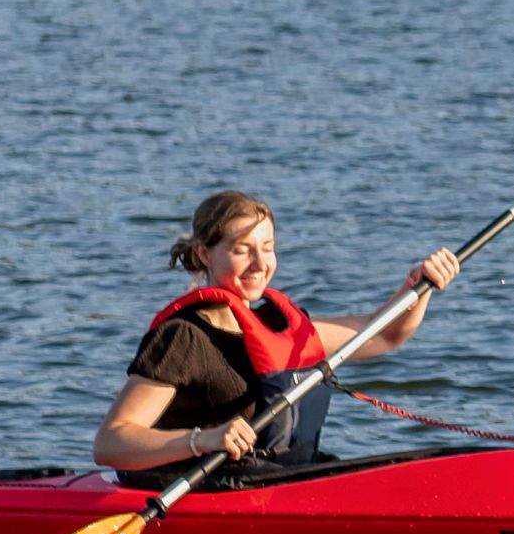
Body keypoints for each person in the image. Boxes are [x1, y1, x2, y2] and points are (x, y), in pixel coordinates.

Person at [91, 190, 458, 481]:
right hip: (205, 493)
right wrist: (202, 439)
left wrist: (419, 287)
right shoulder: (185, 338)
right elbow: (111, 443)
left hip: (279, 480)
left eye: (267, 249)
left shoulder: (280, 327)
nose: (260, 263)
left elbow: (385, 335)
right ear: (205, 254)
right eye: (241, 250)